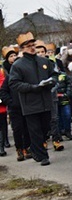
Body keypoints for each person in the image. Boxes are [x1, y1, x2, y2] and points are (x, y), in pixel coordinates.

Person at [8, 32, 57, 166]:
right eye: (28, 46)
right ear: (22, 48)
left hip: (45, 101)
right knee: (35, 130)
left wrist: (52, 81)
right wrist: (32, 87)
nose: (32, 48)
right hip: (30, 103)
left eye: (33, 45)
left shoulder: (44, 61)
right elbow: (14, 83)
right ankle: (42, 155)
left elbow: (54, 75)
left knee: (45, 128)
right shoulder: (18, 65)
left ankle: (35, 148)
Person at [1, 45, 31, 161]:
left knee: (27, 128)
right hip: (15, 108)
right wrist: (10, 102)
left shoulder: (27, 77)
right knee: (18, 129)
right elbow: (3, 92)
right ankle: (19, 149)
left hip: (27, 106)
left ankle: (27, 148)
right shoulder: (9, 78)